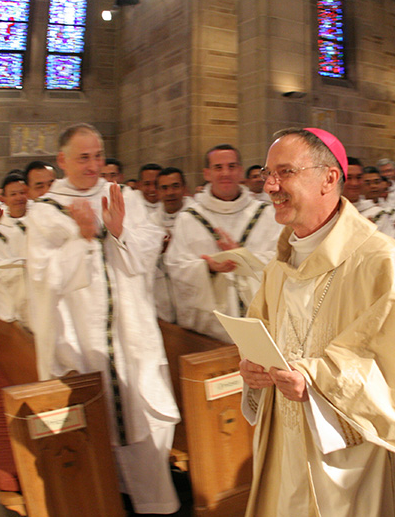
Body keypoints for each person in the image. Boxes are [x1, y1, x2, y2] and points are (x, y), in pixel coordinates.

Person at [239, 128, 395, 516]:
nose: (269, 185)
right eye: (267, 173)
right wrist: (254, 370)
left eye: (284, 173)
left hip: (357, 459)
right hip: (287, 444)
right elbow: (262, 338)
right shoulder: (278, 269)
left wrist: (316, 382)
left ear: (329, 178)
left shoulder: (382, 261)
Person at [26, 123, 181, 514]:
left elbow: (150, 244)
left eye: (98, 155)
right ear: (62, 161)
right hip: (82, 337)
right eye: (84, 157)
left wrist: (118, 232)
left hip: (133, 331)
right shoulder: (44, 212)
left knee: (144, 411)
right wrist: (80, 238)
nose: (95, 164)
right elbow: (43, 277)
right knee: (98, 423)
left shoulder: (122, 195)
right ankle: (107, 499)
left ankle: (152, 501)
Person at [166, 144, 283, 342]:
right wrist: (208, 268)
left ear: (240, 171)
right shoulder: (189, 219)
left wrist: (242, 257)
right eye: (218, 168)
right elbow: (176, 266)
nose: (225, 173)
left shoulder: (267, 214)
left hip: (261, 326)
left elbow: (283, 261)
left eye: (231, 166)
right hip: (211, 331)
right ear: (207, 173)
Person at [0, 174, 31, 326]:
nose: (19, 198)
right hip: (21, 296)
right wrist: (21, 267)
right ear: (4, 199)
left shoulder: (41, 219)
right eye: (13, 194)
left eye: (22, 192)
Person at [152, 167, 189, 323]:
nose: (170, 193)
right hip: (163, 298)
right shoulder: (149, 222)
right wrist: (157, 249)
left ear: (184, 189)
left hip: (190, 293)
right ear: (158, 192)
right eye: (164, 188)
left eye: (175, 186)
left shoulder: (197, 218)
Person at [355, 166, 395, 236]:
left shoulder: (391, 208)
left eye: (376, 182)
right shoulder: (355, 208)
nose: (373, 186)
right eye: (368, 183)